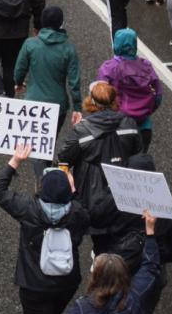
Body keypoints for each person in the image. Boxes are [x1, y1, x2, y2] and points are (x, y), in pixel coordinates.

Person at [0, 144, 90, 314]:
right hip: (66, 281)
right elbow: (84, 211)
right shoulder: (77, 213)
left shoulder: (29, 209)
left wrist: (15, 161)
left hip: (34, 284)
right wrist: (72, 188)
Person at [55, 83, 143, 254]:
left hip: (92, 195)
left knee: (97, 238)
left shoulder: (82, 130)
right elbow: (139, 155)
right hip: (124, 191)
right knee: (121, 234)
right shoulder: (130, 124)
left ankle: (102, 264)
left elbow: (64, 159)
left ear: (91, 102)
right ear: (114, 101)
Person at [54, 212, 162, 314]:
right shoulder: (136, 298)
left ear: (96, 277)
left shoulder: (84, 309)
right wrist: (150, 231)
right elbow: (150, 267)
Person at [15, 7, 83, 127]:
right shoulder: (69, 49)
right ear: (61, 24)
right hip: (57, 106)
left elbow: (19, 70)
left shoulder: (30, 44)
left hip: (32, 103)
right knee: (49, 143)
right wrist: (77, 107)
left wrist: (18, 83)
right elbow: (74, 82)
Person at [97, 29, 163, 151]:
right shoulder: (146, 66)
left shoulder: (109, 68)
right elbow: (158, 94)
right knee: (137, 164)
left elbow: (99, 97)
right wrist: (148, 110)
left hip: (118, 126)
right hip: (143, 126)